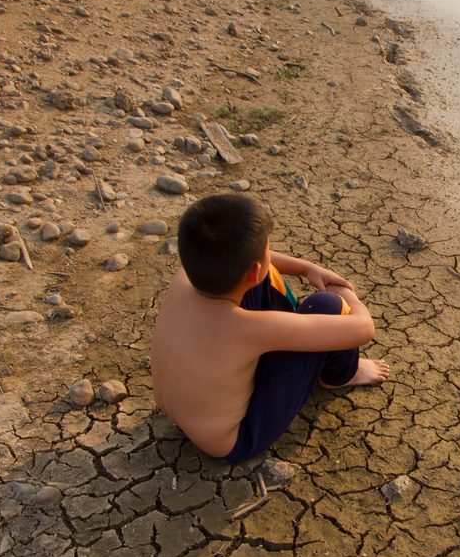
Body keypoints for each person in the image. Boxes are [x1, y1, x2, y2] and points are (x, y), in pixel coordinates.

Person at [150, 194, 389, 462]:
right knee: (328, 305)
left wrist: (307, 269)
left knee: (257, 277)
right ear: (253, 268)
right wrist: (346, 293)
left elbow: (253, 261)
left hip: (182, 413)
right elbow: (363, 328)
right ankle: (341, 375)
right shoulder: (249, 329)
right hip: (236, 439)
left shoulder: (185, 276)